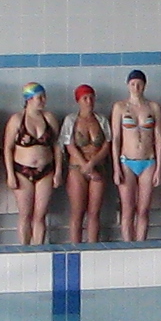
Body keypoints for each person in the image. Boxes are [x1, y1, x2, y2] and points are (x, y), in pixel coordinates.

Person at [5, 84, 62, 245]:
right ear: (29, 99)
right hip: (22, 171)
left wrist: (58, 172)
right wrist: (10, 174)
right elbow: (8, 148)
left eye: (44, 97)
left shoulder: (49, 118)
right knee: (25, 214)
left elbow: (57, 146)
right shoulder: (17, 120)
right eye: (40, 97)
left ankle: (39, 250)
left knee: (40, 215)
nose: (43, 100)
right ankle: (25, 250)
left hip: (46, 171)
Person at [112, 72, 161, 244]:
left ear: (145, 85)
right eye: (133, 84)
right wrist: (116, 168)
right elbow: (116, 139)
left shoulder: (153, 107)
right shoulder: (120, 107)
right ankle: (128, 246)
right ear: (128, 85)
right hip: (127, 162)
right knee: (127, 210)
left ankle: (141, 244)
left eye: (139, 84)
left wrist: (159, 168)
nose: (136, 87)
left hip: (148, 162)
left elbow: (158, 138)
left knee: (143, 210)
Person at [63, 86, 110, 242]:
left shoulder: (101, 120)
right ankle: (75, 248)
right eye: (85, 98)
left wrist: (92, 163)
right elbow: (69, 145)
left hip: (98, 167)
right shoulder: (71, 120)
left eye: (91, 97)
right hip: (77, 168)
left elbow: (107, 145)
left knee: (94, 213)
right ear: (78, 101)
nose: (89, 101)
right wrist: (85, 165)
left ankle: (93, 249)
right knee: (77, 212)